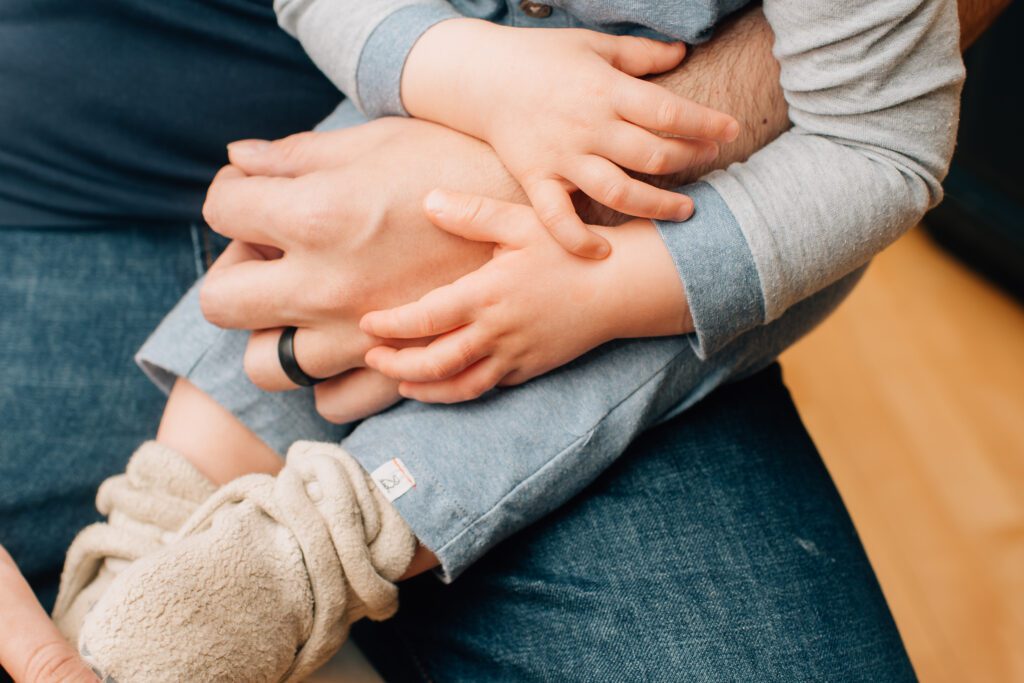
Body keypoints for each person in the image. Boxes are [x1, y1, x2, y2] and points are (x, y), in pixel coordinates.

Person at [0, 0, 1004, 680]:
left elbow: (877, 143)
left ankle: (318, 542)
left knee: (569, 367)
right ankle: (158, 516)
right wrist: (465, 74)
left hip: (685, 238)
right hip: (357, 111)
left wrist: (603, 286)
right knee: (296, 256)